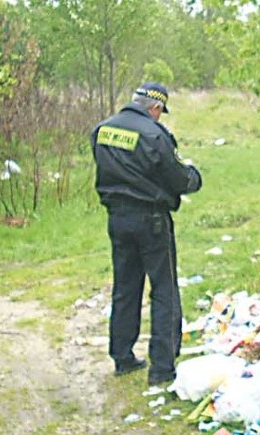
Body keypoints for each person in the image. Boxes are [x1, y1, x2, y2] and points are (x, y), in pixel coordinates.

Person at [91, 82, 202, 386]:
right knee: (164, 289)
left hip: (117, 218)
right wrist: (194, 176)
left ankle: (122, 357)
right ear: (155, 108)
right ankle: (162, 368)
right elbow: (177, 178)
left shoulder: (103, 130)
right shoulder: (155, 135)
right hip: (151, 219)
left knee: (125, 287)